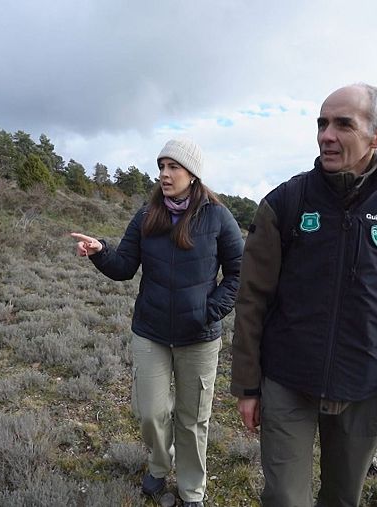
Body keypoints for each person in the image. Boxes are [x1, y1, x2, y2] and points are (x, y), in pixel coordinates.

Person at [231, 83, 377, 507]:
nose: (326, 135)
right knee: (283, 498)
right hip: (286, 378)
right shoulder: (286, 201)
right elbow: (252, 298)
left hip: (364, 386)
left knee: (342, 499)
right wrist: (247, 385)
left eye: (343, 124)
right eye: (322, 124)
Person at [71, 138, 243, 506]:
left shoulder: (217, 217)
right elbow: (124, 267)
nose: (164, 174)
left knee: (193, 419)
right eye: (161, 166)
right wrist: (100, 251)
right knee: (150, 412)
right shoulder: (147, 215)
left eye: (173, 167)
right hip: (151, 332)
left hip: (199, 336)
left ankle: (192, 490)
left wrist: (209, 311)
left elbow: (239, 272)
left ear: (192, 174)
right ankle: (160, 465)